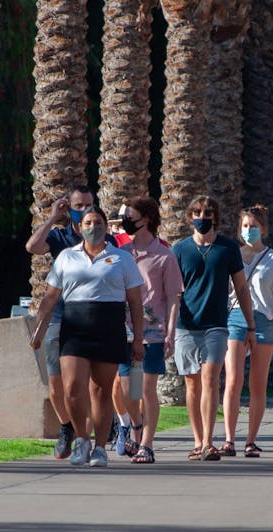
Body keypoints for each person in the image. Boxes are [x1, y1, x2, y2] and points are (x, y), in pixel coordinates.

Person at [30, 206, 144, 467]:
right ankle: (81, 438)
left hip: (108, 327)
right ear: (80, 228)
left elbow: (136, 303)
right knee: (71, 388)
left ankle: (100, 448)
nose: (93, 227)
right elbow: (50, 297)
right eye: (88, 223)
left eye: (98, 222)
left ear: (106, 226)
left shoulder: (121, 258)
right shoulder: (67, 257)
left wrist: (138, 339)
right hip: (75, 326)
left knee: (101, 391)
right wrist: (39, 329)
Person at [24, 184, 117, 459]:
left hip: (92, 321)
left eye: (88, 204)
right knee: (56, 384)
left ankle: (88, 436)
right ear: (69, 208)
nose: (83, 210)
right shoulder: (59, 237)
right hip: (60, 316)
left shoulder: (104, 240)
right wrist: (53, 217)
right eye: (78, 206)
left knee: (88, 383)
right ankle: (67, 427)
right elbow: (32, 247)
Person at [172, 195, 257, 461]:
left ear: (215, 216)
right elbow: (173, 291)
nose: (202, 216)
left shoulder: (227, 248)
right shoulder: (180, 250)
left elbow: (241, 288)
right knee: (192, 383)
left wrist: (250, 326)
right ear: (189, 217)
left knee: (210, 379)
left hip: (217, 325)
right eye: (197, 212)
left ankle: (209, 441)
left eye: (207, 212)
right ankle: (198, 441)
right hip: (186, 325)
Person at [116, 197, 183, 464]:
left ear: (145, 219)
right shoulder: (123, 254)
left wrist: (170, 334)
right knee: (127, 392)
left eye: (130, 217)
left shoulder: (164, 256)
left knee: (146, 389)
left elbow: (173, 298)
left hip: (153, 334)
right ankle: (137, 423)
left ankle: (147, 444)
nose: (125, 222)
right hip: (124, 332)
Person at [219, 205, 273, 458]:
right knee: (233, 380)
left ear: (264, 229)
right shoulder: (231, 255)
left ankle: (251, 440)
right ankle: (229, 439)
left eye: (254, 226)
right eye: (246, 226)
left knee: (257, 384)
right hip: (235, 317)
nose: (249, 230)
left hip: (265, 320)